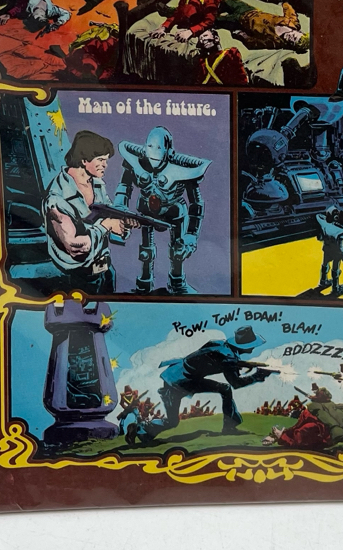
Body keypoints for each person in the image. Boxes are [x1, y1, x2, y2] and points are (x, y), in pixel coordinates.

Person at [114, 126, 210, 295]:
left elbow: (196, 203)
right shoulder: (137, 162)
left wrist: (191, 234)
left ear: (168, 151)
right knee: (146, 250)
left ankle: (177, 282)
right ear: (145, 147)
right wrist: (119, 207)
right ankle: (144, 283)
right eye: (150, 146)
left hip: (173, 211)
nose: (153, 152)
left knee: (178, 251)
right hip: (146, 210)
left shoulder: (182, 169)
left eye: (158, 147)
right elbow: (125, 185)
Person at [140, 326, 274, 440]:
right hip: (179, 381)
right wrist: (257, 376)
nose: (253, 348)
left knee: (225, 389)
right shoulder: (228, 358)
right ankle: (143, 429)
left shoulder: (219, 344)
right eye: (252, 345)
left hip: (179, 374)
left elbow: (205, 358)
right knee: (172, 422)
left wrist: (239, 364)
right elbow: (236, 383)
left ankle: (229, 426)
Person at [43, 130, 133, 294]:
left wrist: (122, 226)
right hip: (76, 279)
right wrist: (106, 226)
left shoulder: (97, 184)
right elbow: (75, 245)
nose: (105, 165)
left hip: (104, 271)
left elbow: (108, 217)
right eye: (101, 160)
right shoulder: (57, 197)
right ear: (84, 160)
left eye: (106, 160)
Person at [215, 0, 309, 52]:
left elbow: (255, 43)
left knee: (214, 20)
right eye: (295, 37)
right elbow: (290, 12)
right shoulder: (292, 23)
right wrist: (284, 4)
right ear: (300, 32)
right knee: (224, 0)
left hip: (239, 22)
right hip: (249, 11)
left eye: (292, 42)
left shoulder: (275, 42)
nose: (291, 38)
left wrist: (241, 35)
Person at [315, 206, 343, 296]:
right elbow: (341, 247)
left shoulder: (324, 224)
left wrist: (328, 217)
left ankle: (323, 281)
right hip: (336, 253)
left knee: (325, 264)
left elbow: (318, 216)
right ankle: (335, 288)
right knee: (335, 269)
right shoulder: (340, 231)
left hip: (327, 249)